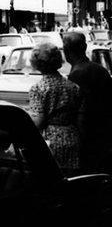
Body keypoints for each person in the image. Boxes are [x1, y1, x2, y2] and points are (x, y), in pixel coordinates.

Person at [27, 43, 82, 173]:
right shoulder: (72, 86)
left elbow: (38, 122)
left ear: (37, 63)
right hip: (72, 137)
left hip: (51, 141)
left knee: (52, 182)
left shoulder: (38, 88)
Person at [64, 32, 112, 173]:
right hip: (103, 131)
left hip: (90, 134)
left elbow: (79, 109)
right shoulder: (100, 70)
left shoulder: (77, 74)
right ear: (85, 47)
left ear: (67, 52)